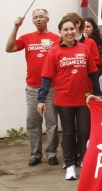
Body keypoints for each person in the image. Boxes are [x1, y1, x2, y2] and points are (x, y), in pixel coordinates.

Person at [38, 16, 102, 180]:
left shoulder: (84, 48)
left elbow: (93, 74)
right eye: (65, 30)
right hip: (64, 100)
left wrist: (98, 93)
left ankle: (86, 163)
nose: (70, 32)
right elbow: (46, 78)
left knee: (84, 133)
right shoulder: (54, 52)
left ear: (77, 30)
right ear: (60, 32)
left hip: (84, 100)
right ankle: (70, 165)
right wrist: (41, 100)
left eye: (72, 29)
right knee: (67, 134)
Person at [5, 9, 61, 166]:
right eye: (35, 17)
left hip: (51, 88)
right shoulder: (27, 37)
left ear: (47, 19)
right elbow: (9, 48)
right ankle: (35, 154)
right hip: (32, 88)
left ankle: (51, 153)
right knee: (33, 123)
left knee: (51, 123)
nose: (38, 19)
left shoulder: (56, 39)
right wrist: (16, 28)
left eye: (41, 17)